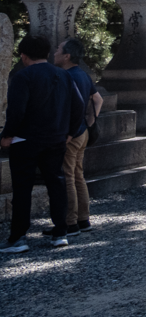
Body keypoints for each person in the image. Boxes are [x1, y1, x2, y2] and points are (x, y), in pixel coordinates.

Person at [2, 34, 73, 252]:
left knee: (22, 188)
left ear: (24, 56)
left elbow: (16, 111)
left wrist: (7, 134)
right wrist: (70, 130)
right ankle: (60, 232)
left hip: (26, 138)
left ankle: (19, 236)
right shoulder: (63, 75)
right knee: (56, 183)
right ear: (47, 53)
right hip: (56, 136)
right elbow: (77, 104)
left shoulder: (23, 77)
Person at [55, 37, 101, 235]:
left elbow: (70, 107)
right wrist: (89, 123)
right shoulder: (83, 74)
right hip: (82, 131)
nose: (54, 53)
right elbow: (98, 100)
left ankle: (70, 222)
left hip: (71, 133)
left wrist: (70, 131)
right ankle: (83, 219)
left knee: (68, 176)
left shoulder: (66, 76)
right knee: (78, 175)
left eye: (58, 50)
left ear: (67, 56)